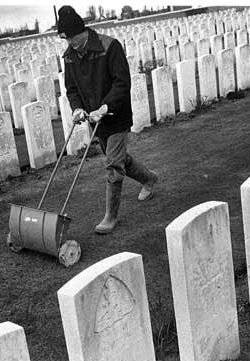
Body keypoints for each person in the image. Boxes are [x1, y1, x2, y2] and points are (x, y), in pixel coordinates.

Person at [57, 5, 158, 235]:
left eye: (72, 37)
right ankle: (150, 179)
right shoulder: (70, 57)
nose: (70, 43)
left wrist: (106, 106)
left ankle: (110, 217)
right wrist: (76, 109)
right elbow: (71, 88)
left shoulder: (109, 46)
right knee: (121, 160)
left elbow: (122, 83)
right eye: (66, 39)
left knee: (113, 165)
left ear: (82, 31)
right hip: (94, 120)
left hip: (116, 115)